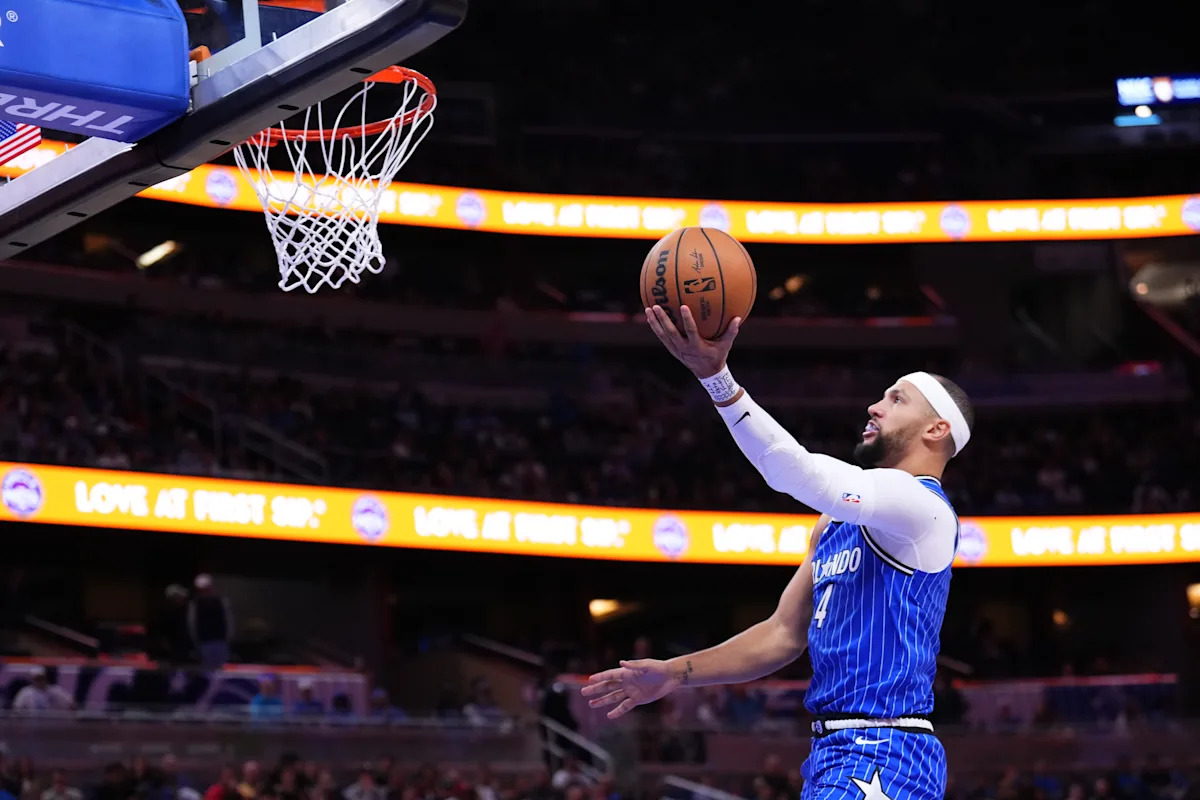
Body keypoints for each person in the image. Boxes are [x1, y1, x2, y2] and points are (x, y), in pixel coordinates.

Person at [583, 306, 973, 800]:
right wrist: (674, 673)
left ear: (936, 429)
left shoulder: (924, 509)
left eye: (896, 399)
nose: (875, 407)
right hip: (834, 751)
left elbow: (795, 470)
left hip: (886, 750)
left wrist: (718, 380)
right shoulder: (833, 525)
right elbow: (782, 634)